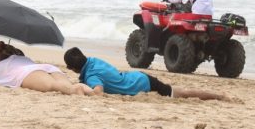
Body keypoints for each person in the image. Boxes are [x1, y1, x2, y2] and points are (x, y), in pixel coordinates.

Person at [64, 47, 227, 100]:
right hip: (137, 77)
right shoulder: (93, 61)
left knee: (181, 93)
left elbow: (98, 92)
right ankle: (218, 95)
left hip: (142, 84)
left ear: (74, 68)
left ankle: (218, 96)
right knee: (179, 91)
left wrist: (82, 90)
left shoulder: (92, 76)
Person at [0, 41, 93, 95]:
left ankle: (77, 89)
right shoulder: (24, 58)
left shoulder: (3, 64)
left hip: (27, 73)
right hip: (46, 67)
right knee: (67, 86)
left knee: (54, 86)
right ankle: (90, 91)